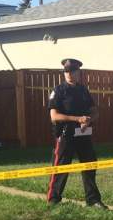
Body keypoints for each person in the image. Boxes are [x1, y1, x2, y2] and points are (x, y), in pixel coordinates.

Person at [46, 58, 107, 208]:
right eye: (66, 71)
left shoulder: (83, 90)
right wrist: (77, 119)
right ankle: (53, 199)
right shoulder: (59, 90)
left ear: (78, 72)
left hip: (83, 133)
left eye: (71, 71)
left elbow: (94, 112)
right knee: (61, 167)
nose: (68, 74)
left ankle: (93, 200)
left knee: (89, 166)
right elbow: (54, 116)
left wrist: (88, 120)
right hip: (65, 134)